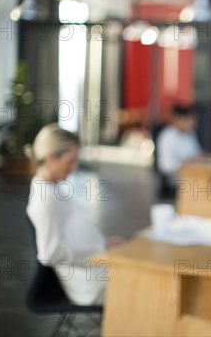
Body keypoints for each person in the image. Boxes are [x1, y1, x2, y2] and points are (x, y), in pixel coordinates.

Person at [26, 124, 124, 305]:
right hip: (91, 285)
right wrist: (100, 251)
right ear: (50, 159)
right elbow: (50, 254)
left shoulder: (51, 188)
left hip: (97, 272)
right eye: (70, 161)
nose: (74, 167)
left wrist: (104, 245)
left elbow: (73, 237)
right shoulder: (45, 198)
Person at [155, 102, 203, 195]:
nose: (193, 123)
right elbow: (166, 166)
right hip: (175, 179)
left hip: (191, 174)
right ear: (179, 119)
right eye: (190, 120)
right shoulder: (167, 136)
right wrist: (188, 163)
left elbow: (198, 155)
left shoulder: (190, 134)